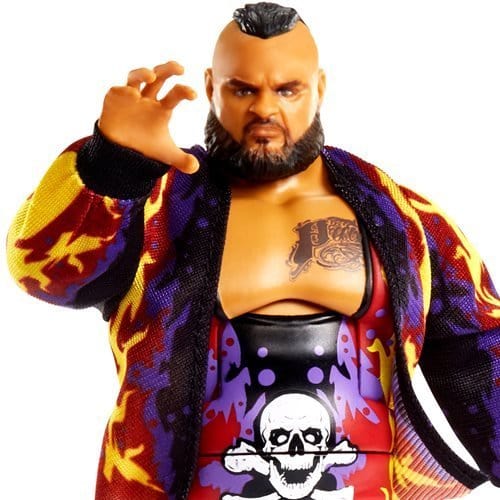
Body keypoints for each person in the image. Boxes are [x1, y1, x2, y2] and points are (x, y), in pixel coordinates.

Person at [6, 2, 499, 499]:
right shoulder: (157, 203)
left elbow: (480, 347)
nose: (264, 109)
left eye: (287, 89)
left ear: (319, 88)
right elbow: (43, 272)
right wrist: (112, 165)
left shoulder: (398, 215)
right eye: (243, 89)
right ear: (211, 87)